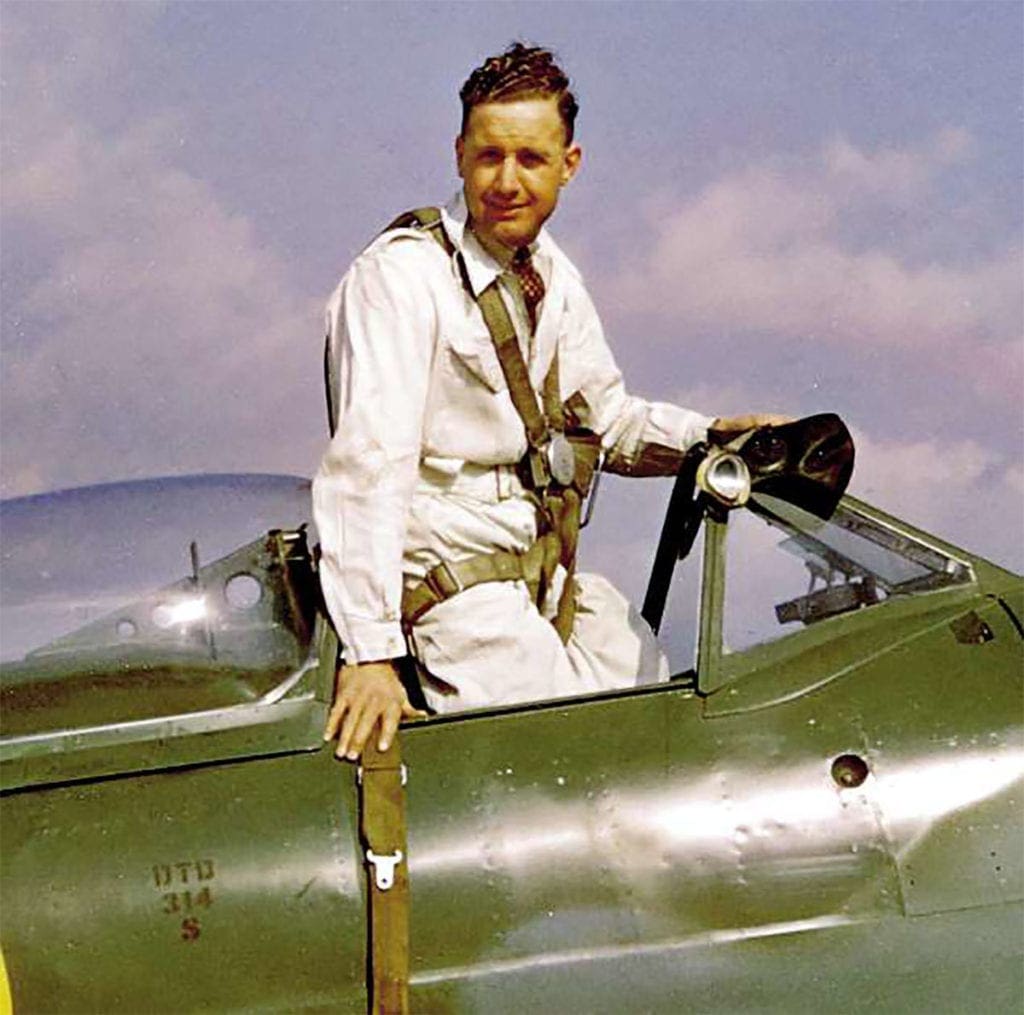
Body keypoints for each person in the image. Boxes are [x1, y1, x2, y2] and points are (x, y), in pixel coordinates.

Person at [314, 43, 781, 761]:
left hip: (544, 582)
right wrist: (370, 653)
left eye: (530, 159)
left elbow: (610, 421)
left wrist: (711, 435)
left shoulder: (553, 276)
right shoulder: (401, 278)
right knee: (569, 767)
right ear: (459, 155)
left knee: (670, 717)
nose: (505, 181)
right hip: (454, 591)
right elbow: (368, 469)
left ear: (570, 165)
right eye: (487, 157)